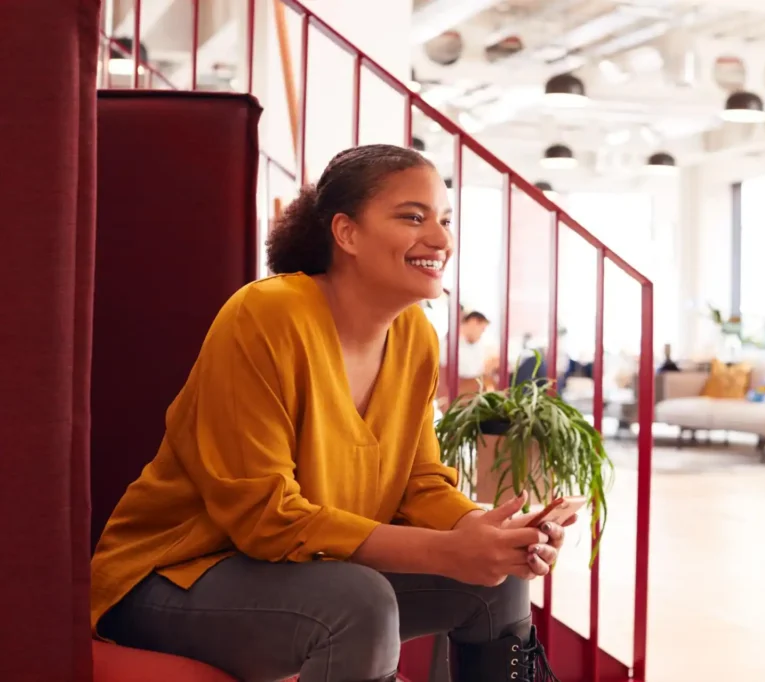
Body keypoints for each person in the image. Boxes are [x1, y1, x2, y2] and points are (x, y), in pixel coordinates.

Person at [90, 144, 571, 682]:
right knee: (355, 601)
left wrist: (486, 534)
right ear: (346, 233)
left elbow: (421, 484)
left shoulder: (416, 336)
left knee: (499, 581)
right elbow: (263, 518)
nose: (440, 239)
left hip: (304, 573)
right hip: (173, 577)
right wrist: (444, 551)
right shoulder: (267, 315)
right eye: (413, 217)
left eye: (444, 219)